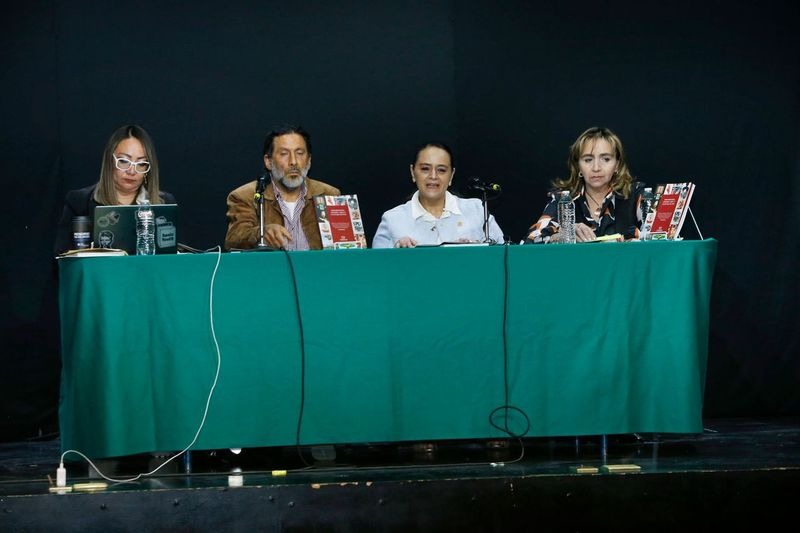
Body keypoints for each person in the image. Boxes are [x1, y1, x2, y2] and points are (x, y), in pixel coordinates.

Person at [54, 124, 175, 255]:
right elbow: (62, 260)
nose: (132, 171)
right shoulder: (79, 202)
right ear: (109, 162)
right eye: (124, 161)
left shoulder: (165, 203)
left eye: (141, 164)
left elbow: (177, 257)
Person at [224, 125, 340, 250]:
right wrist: (261, 233)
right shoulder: (245, 195)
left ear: (309, 160)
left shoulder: (329, 194)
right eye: (284, 154)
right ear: (269, 162)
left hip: (317, 268)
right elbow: (233, 239)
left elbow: (344, 243)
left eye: (300, 153)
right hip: (271, 268)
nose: (293, 161)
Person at [372, 142, 504, 248]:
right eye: (425, 169)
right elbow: (377, 269)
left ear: (451, 175)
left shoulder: (477, 210)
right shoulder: (393, 218)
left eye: (441, 170)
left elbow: (503, 255)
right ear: (413, 172)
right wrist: (396, 252)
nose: (433, 176)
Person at [525, 126, 644, 244]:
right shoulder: (562, 199)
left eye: (606, 159)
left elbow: (657, 235)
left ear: (617, 164)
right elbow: (531, 240)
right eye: (588, 160)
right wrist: (563, 234)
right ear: (578, 166)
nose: (596, 168)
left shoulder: (635, 194)